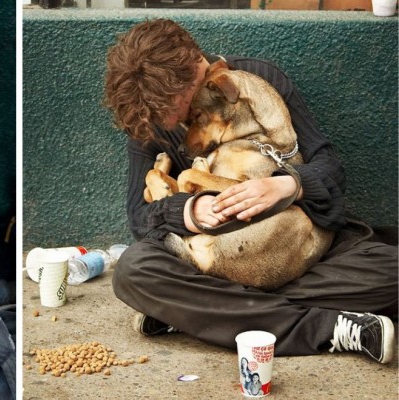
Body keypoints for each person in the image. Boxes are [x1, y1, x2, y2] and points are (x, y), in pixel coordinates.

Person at [104, 19, 397, 364]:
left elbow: (329, 165)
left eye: (172, 108)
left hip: (294, 244)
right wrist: (186, 211)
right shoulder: (149, 115)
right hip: (213, 258)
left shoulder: (257, 81)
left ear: (195, 71)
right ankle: (330, 329)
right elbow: (140, 218)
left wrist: (288, 184)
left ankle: (199, 313)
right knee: (134, 271)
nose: (166, 123)